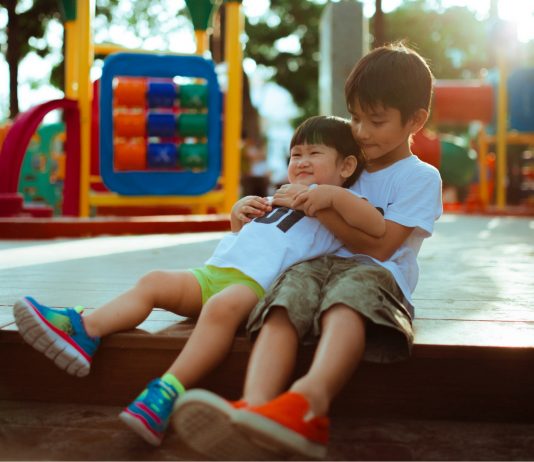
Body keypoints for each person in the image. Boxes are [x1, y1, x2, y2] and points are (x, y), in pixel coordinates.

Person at [12, 115, 385, 448]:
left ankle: (166, 392)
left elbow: (374, 224)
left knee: (221, 308)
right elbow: (254, 235)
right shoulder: (280, 195)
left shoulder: (339, 205)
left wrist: (327, 194)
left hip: (255, 287)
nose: (301, 162)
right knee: (154, 280)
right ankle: (85, 330)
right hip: (214, 273)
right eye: (295, 155)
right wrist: (239, 215)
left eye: (314, 154)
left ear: (347, 166)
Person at [169, 42, 443, 460]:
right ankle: (256, 407)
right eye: (355, 118)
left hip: (377, 274)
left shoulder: (420, 177)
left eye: (377, 120)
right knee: (283, 300)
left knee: (346, 303)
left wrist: (323, 202)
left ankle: (307, 404)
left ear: (416, 120)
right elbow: (297, 214)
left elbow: (385, 245)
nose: (362, 131)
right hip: (315, 265)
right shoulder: (348, 161)